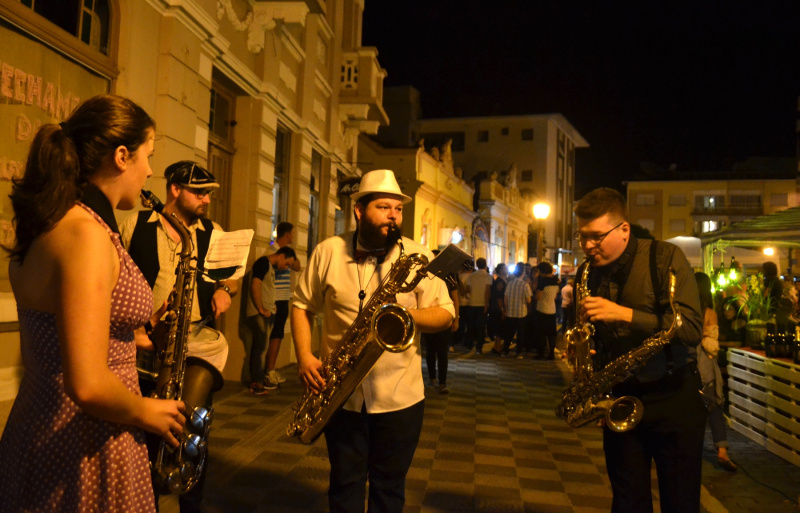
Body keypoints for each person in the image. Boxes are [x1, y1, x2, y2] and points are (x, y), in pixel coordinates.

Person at [0, 94, 185, 512]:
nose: (150, 171)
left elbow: (54, 337)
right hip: (85, 440)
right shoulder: (87, 234)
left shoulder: (53, 223)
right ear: (122, 156)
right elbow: (84, 383)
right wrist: (147, 411)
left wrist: (131, 338)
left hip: (39, 424)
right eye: (148, 156)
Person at [292, 169, 454, 513]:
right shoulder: (329, 251)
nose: (393, 215)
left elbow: (446, 313)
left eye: (397, 209)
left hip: (401, 398)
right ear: (359, 211)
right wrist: (305, 356)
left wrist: (405, 316)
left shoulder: (417, 256)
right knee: (344, 487)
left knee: (389, 491)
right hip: (341, 396)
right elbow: (301, 304)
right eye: (383, 207)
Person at [573, 187, 705, 513]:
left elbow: (690, 328)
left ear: (623, 229)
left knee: (680, 501)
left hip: (675, 396)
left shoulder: (664, 258)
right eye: (582, 237)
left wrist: (624, 314)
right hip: (622, 398)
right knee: (628, 501)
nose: (588, 247)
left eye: (596, 237)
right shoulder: (587, 273)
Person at [120, 160, 239, 513]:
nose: (206, 200)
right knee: (145, 438)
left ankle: (191, 500)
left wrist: (226, 291)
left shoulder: (212, 231)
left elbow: (229, 276)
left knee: (193, 435)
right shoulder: (133, 224)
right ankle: (149, 502)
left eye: (208, 194)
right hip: (146, 342)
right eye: (199, 192)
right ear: (175, 189)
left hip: (197, 342)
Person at [695, 272, 737, 472]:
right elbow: (712, 344)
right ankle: (722, 451)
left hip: (688, 363)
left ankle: (691, 449)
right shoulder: (710, 312)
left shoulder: (686, 309)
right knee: (714, 406)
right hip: (706, 364)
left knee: (693, 408)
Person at [244, 246, 297, 394]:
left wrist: (270, 305)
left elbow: (266, 288)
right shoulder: (263, 263)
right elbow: (256, 284)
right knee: (259, 348)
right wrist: (261, 308)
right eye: (287, 263)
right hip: (257, 313)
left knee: (260, 346)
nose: (286, 267)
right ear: (281, 256)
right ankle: (257, 383)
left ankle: (259, 380)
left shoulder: (270, 267)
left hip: (264, 312)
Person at [263, 221, 303, 387]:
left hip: (284, 297)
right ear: (287, 234)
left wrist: (291, 257)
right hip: (276, 298)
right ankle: (268, 370)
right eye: (292, 234)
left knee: (278, 333)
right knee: (273, 333)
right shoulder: (272, 251)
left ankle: (270, 369)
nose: (293, 237)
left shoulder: (286, 252)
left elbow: (297, 266)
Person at [423, 250, 459, 394]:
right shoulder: (426, 274)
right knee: (431, 351)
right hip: (429, 316)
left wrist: (456, 318)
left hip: (444, 317)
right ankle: (432, 379)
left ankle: (442, 382)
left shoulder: (449, 275)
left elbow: (455, 298)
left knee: (442, 352)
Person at [464, 257, 493, 356]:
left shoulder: (471, 276)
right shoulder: (488, 277)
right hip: (482, 304)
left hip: (471, 303)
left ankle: (469, 344)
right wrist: (486, 304)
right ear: (485, 265)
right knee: (481, 328)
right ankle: (479, 348)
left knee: (471, 326)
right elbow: (488, 292)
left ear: (477, 264)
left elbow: (467, 290)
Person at [501, 263, 531, 357]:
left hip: (510, 312)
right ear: (523, 273)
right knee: (520, 334)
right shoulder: (525, 285)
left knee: (509, 333)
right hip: (521, 313)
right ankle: (519, 353)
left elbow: (505, 297)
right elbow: (528, 299)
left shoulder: (510, 284)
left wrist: (505, 309)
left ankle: (505, 351)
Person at [533, 261, 560, 360]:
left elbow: (538, 297)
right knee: (551, 333)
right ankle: (551, 353)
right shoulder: (555, 280)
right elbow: (556, 295)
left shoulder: (543, 281)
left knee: (541, 333)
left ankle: (541, 353)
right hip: (552, 309)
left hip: (542, 309)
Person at [487, 263, 508, 355]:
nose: (506, 270)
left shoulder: (503, 280)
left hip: (498, 307)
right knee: (500, 328)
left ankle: (496, 347)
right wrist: (503, 309)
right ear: (500, 270)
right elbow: (499, 297)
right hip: (498, 308)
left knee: (500, 328)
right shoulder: (500, 281)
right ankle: (498, 348)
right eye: (505, 268)